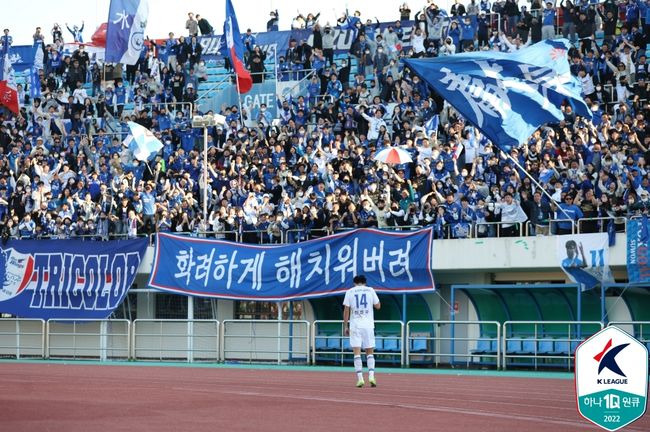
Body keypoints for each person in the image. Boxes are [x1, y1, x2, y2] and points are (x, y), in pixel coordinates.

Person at [343, 274, 381, 388]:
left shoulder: (350, 292)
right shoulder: (370, 290)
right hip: (368, 325)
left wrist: (346, 325)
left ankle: (360, 379)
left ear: (354, 283)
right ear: (365, 282)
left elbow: (346, 309)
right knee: (370, 352)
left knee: (357, 353)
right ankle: (371, 376)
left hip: (355, 325)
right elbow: (378, 306)